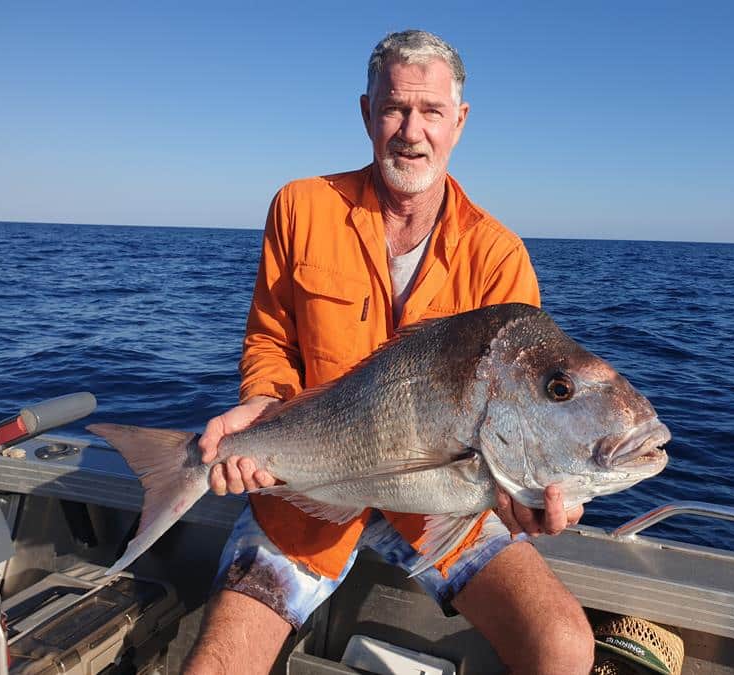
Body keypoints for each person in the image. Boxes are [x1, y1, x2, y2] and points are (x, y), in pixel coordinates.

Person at [182, 30, 595, 675]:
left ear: (458, 121)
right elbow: (270, 338)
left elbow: (525, 415)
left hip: (443, 505)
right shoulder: (301, 206)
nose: (411, 130)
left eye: (431, 112)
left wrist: (530, 494)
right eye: (395, 108)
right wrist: (260, 405)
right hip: (307, 489)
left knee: (565, 646)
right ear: (367, 113)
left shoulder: (499, 255)